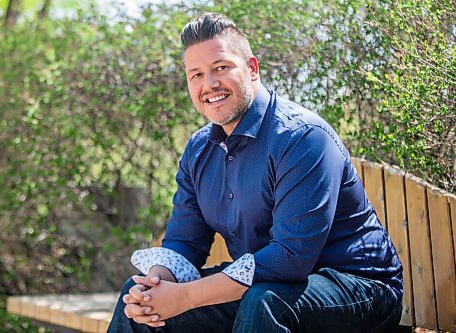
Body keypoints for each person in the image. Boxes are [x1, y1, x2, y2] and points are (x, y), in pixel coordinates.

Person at [107, 12, 403, 333]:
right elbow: (185, 241)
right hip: (265, 287)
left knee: (264, 300)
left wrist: (186, 296)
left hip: (358, 289)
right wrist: (156, 284)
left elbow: (290, 257)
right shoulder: (199, 149)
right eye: (196, 74)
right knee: (139, 300)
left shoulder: (301, 137)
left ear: (252, 68)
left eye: (221, 68)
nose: (209, 84)